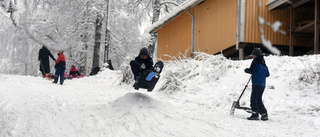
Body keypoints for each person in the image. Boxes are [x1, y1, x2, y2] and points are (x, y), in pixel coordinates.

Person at [244, 48, 270, 121]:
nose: (253, 56)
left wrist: (246, 70)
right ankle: (264, 114)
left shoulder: (255, 61)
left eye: (254, 55)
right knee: (258, 99)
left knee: (254, 99)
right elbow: (267, 74)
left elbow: (251, 70)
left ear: (256, 55)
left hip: (256, 83)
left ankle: (255, 114)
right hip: (262, 84)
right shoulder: (264, 64)